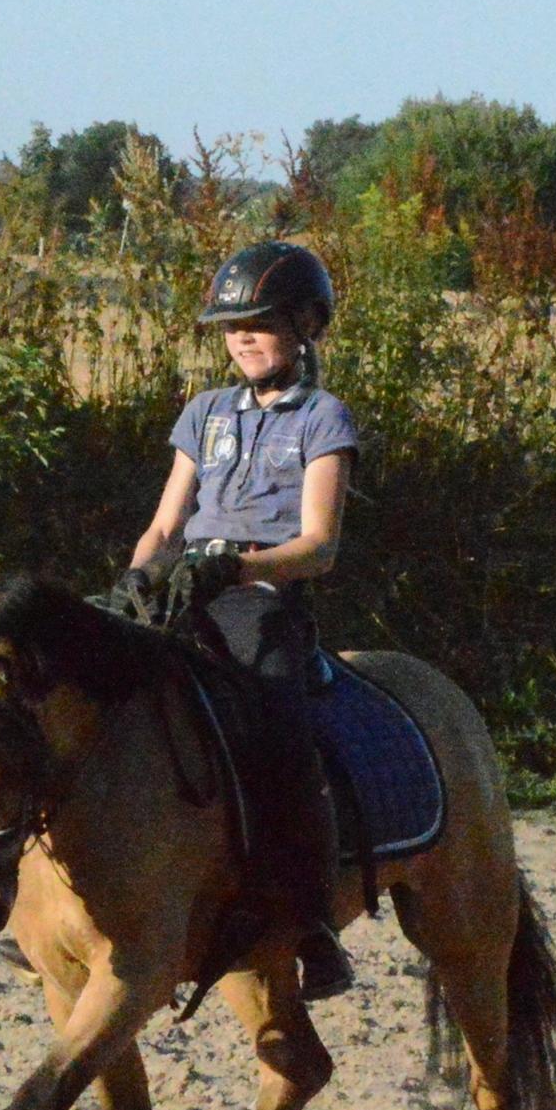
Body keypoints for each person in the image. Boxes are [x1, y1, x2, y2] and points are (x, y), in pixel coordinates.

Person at [109, 240, 357, 1000]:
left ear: (305, 326)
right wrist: (133, 580)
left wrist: (240, 566)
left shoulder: (323, 418)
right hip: (181, 585)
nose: (243, 337)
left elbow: (319, 545)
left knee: (279, 725)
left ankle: (310, 918)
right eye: (231, 325)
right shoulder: (204, 413)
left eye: (261, 321)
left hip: (260, 598)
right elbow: (163, 523)